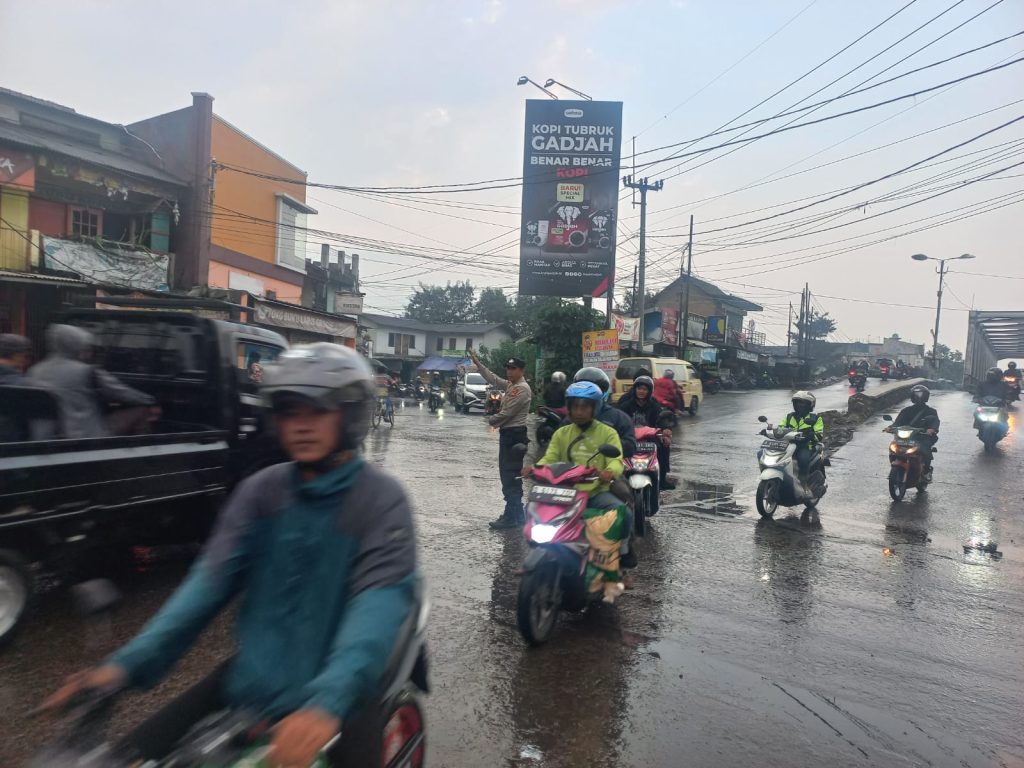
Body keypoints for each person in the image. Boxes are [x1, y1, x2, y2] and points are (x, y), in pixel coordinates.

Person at [42, 343, 419, 767]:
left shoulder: (381, 500)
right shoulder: (262, 491)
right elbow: (205, 586)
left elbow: (376, 608)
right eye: (290, 412)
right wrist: (123, 667)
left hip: (342, 696)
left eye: (319, 411)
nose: (302, 425)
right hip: (250, 685)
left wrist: (327, 704)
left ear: (350, 414)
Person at [528, 381, 632, 565]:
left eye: (585, 407)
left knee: (623, 513)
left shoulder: (608, 433)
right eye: (575, 406)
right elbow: (550, 458)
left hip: (595, 492)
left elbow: (616, 461)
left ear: (595, 407)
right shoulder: (562, 433)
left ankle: (622, 556)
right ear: (568, 408)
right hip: (564, 494)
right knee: (532, 509)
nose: (579, 411)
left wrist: (609, 471)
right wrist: (535, 468)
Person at [27, 324, 157, 439]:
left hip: (43, 437)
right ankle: (141, 456)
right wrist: (150, 401)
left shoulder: (35, 370)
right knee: (142, 409)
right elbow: (120, 392)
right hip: (85, 437)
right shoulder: (86, 371)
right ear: (76, 346)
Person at [467, 350, 533, 529]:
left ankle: (513, 517)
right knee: (509, 475)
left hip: (514, 435)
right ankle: (516, 515)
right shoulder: (512, 385)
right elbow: (493, 379)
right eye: (508, 368)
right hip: (510, 435)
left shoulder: (521, 389)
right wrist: (479, 364)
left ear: (521, 370)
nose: (509, 371)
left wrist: (491, 419)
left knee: (510, 476)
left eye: (513, 368)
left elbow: (506, 414)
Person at [616, 374, 676, 491]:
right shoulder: (626, 403)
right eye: (639, 388)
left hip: (649, 436)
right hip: (629, 436)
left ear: (649, 391)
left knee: (663, 447)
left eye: (644, 389)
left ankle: (661, 478)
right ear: (635, 389)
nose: (641, 391)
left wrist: (666, 430)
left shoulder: (654, 404)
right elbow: (618, 419)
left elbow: (661, 419)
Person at [885, 384, 940, 480]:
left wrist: (932, 429)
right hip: (907, 437)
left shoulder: (931, 411)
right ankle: (896, 466)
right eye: (917, 395)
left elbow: (935, 421)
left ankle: (926, 471)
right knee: (894, 447)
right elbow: (898, 422)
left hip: (923, 436)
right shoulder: (906, 410)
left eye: (921, 395)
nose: (919, 397)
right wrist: (890, 427)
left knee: (924, 448)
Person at [779, 391, 825, 482]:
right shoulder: (789, 417)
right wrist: (769, 431)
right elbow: (781, 428)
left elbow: (819, 435)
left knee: (803, 460)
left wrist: (811, 435)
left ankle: (803, 483)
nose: (799, 405)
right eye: (797, 403)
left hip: (805, 446)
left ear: (809, 405)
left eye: (802, 403)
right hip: (788, 445)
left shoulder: (815, 418)